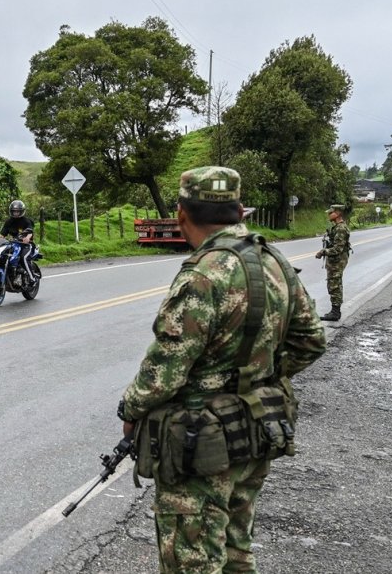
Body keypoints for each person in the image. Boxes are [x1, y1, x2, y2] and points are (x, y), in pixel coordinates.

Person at [117, 166, 326, 573]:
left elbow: (165, 371)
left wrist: (130, 411)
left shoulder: (203, 275)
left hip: (202, 443)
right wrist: (258, 376)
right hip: (256, 428)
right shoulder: (273, 261)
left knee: (192, 562)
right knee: (236, 552)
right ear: (239, 210)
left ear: (181, 214)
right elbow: (311, 340)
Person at [315, 203, 350, 321]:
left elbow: (338, 249)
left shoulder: (340, 228)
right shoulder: (336, 227)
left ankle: (335, 313)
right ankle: (335, 311)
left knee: (335, 285)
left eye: (331, 212)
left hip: (337, 261)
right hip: (335, 261)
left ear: (338, 213)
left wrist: (323, 252)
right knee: (334, 284)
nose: (329, 214)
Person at [0, 200, 38, 283]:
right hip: (14, 244)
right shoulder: (9, 222)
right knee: (3, 255)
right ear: (11, 211)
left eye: (17, 211)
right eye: (14, 211)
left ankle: (32, 278)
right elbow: (2, 234)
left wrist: (27, 238)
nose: (16, 213)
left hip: (27, 245)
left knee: (24, 257)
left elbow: (30, 232)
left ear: (21, 211)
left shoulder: (27, 221)